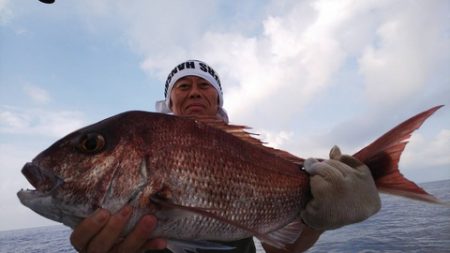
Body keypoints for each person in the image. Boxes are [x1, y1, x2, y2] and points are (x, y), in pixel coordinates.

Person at [70, 60, 381, 253]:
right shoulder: (148, 136)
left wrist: (320, 216)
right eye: (183, 86)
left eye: (204, 85)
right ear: (169, 101)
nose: (194, 91)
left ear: (217, 98)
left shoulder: (243, 152)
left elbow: (283, 249)